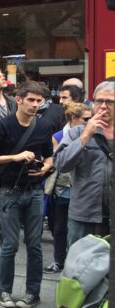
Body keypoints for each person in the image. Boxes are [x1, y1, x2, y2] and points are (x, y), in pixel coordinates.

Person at [0, 81, 54, 308]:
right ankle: (4, 290)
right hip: (10, 192)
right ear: (19, 99)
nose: (36, 104)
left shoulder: (44, 126)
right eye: (32, 100)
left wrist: (46, 168)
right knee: (10, 245)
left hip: (36, 191)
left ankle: (32, 293)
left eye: (39, 101)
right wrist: (14, 157)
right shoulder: (3, 126)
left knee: (35, 245)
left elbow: (49, 156)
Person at [54, 80, 113, 246]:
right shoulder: (77, 132)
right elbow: (61, 164)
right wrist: (86, 136)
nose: (103, 106)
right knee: (79, 267)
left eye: (109, 102)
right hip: (85, 214)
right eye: (99, 101)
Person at [44, 102, 93, 275]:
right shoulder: (59, 135)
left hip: (83, 191)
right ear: (75, 118)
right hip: (63, 187)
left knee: (79, 230)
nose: (90, 121)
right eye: (86, 119)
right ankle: (59, 260)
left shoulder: (95, 134)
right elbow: (58, 162)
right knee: (60, 227)